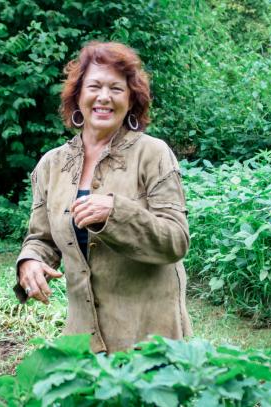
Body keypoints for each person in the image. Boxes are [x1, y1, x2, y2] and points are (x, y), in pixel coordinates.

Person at [14, 41, 192, 353]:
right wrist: (30, 261)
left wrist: (116, 212)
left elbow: (176, 241)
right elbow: (41, 238)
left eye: (116, 89)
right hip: (84, 340)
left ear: (131, 99)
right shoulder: (51, 165)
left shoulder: (154, 154)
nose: (104, 97)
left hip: (150, 337)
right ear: (78, 96)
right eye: (94, 86)